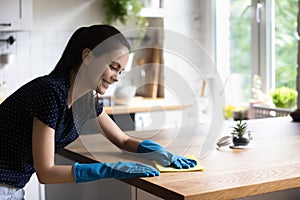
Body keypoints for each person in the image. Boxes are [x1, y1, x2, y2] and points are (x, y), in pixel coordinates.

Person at [0, 25, 196, 199]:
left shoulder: (85, 101)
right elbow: (46, 172)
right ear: (87, 56)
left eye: (120, 71)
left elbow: (123, 140)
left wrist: (158, 152)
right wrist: (107, 169)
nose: (116, 78)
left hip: (12, 188)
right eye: (113, 67)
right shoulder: (50, 93)